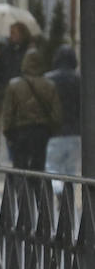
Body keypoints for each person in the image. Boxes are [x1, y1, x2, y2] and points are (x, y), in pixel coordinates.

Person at [1, 41, 62, 171]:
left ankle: (22, 190)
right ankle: (37, 190)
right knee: (38, 166)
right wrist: (52, 130)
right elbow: (57, 114)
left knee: (20, 167)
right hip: (41, 131)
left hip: (20, 131)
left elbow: (8, 113)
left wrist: (8, 133)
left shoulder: (14, 85)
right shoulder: (50, 85)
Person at [0, 21, 32, 165]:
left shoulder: (27, 51)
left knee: (18, 125)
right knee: (7, 126)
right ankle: (12, 154)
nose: (11, 36)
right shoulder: (5, 51)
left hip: (21, 95)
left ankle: (19, 155)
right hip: (6, 92)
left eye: (14, 33)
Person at [44, 44, 81, 195]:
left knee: (53, 169)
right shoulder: (80, 80)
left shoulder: (48, 79)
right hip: (74, 132)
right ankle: (68, 197)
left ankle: (59, 195)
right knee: (71, 169)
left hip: (54, 132)